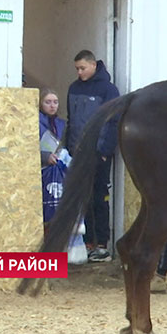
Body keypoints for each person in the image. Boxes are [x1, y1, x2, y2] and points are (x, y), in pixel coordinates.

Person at [66, 50, 120, 263]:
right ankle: (87, 243)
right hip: (78, 154)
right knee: (83, 198)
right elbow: (72, 120)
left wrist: (106, 150)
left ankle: (102, 244)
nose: (80, 72)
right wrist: (70, 148)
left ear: (93, 65)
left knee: (100, 198)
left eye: (82, 68)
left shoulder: (108, 90)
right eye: (77, 69)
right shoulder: (73, 88)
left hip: (98, 153)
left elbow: (113, 122)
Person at [39, 88, 67, 227]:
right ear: (40, 104)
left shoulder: (62, 124)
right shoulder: (35, 123)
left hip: (59, 169)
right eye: (48, 102)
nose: (52, 105)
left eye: (55, 102)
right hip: (42, 171)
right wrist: (44, 157)